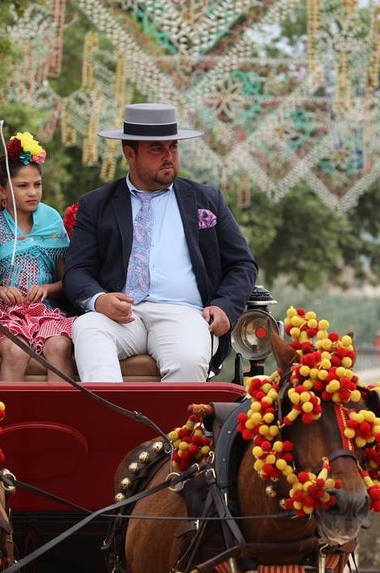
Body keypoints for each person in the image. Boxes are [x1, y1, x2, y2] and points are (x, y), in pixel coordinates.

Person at [63, 103, 258, 382]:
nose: (169, 157)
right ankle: (110, 424)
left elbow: (243, 264)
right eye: (157, 149)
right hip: (121, 316)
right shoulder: (97, 204)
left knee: (189, 359)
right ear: (129, 154)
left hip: (184, 313)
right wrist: (99, 299)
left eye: (173, 148)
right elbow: (77, 270)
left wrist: (225, 305)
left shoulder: (206, 200)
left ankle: (175, 427)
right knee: (88, 328)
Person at [0, 132, 76, 382]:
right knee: (15, 350)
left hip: (46, 311)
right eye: (22, 186)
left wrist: (46, 289)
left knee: (59, 347)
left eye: (37, 184)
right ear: (1, 191)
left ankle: (60, 418)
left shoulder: (52, 221)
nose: (33, 192)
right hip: (4, 313)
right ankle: (4, 419)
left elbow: (68, 282)